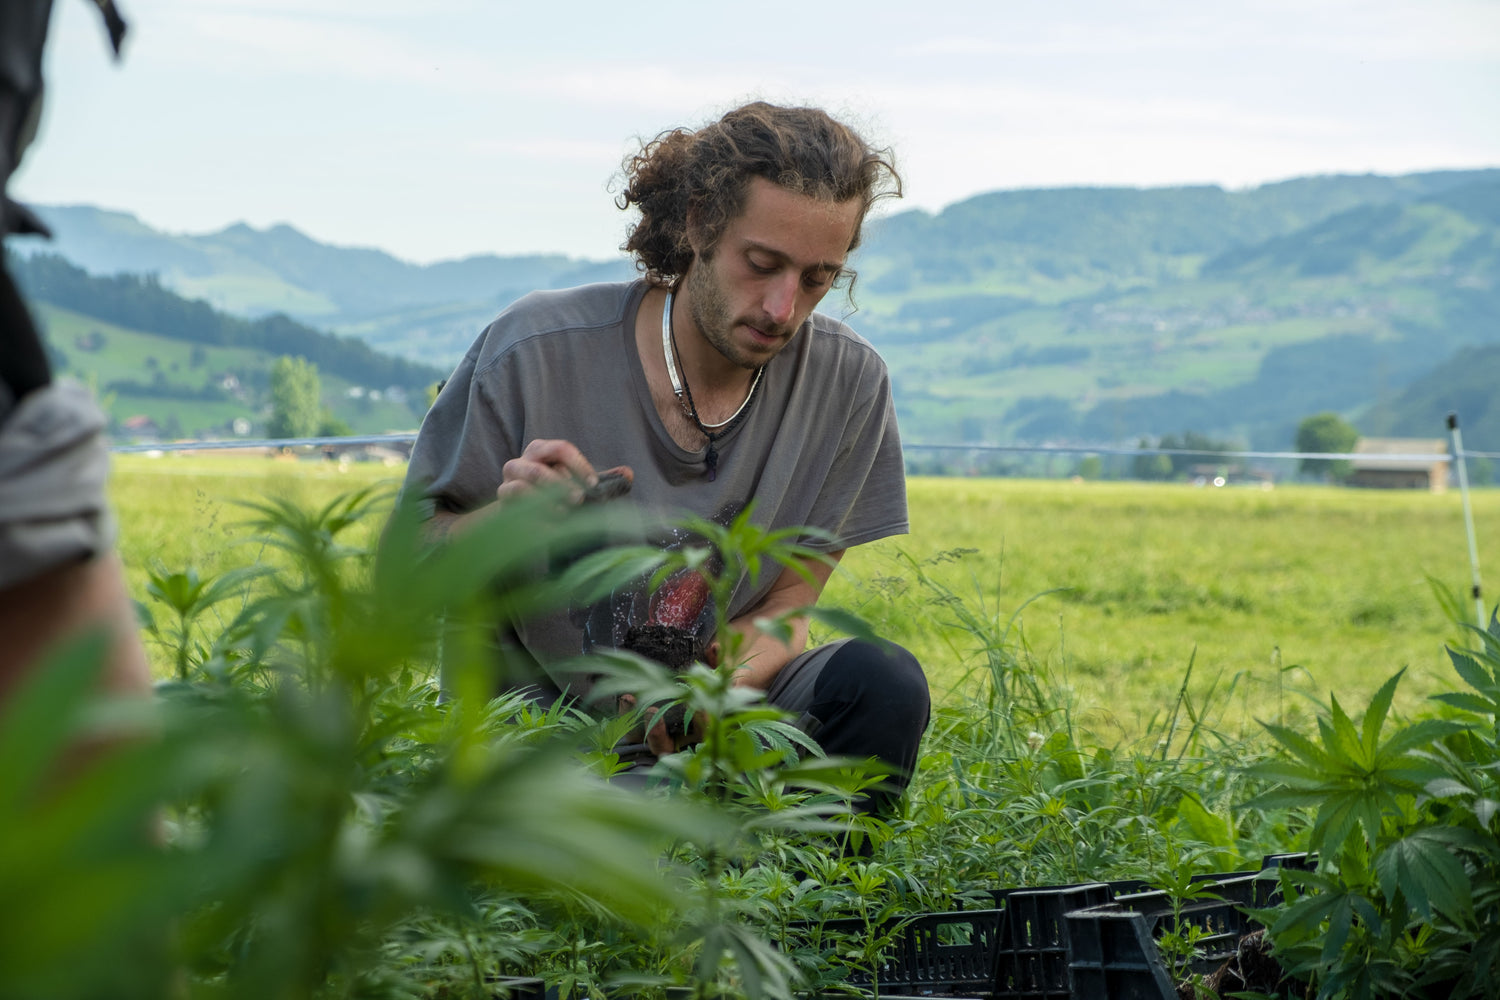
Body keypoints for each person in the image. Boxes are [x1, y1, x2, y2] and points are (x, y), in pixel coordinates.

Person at [403, 102, 929, 812]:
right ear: (699, 223)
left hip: (714, 737)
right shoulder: (532, 351)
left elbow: (787, 606)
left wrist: (707, 690)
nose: (782, 308)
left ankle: (804, 884)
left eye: (817, 278)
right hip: (541, 747)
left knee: (883, 683)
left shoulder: (849, 385)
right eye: (762, 264)